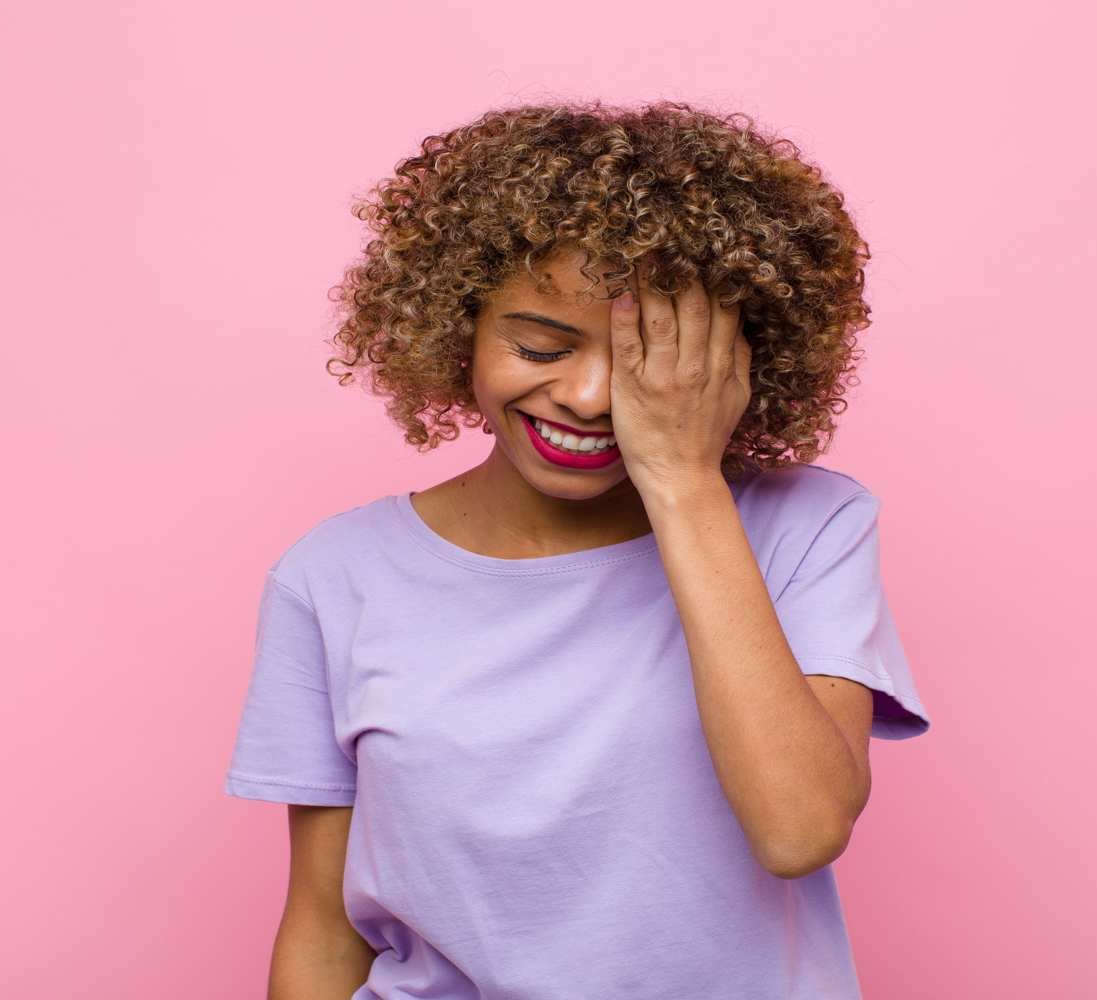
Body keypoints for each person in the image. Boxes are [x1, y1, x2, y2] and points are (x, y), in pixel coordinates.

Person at [225, 99, 933, 1000]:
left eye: (650, 362)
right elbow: (325, 928)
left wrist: (683, 480)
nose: (593, 398)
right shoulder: (331, 578)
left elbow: (798, 830)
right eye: (538, 345)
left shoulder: (810, 528)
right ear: (458, 324)